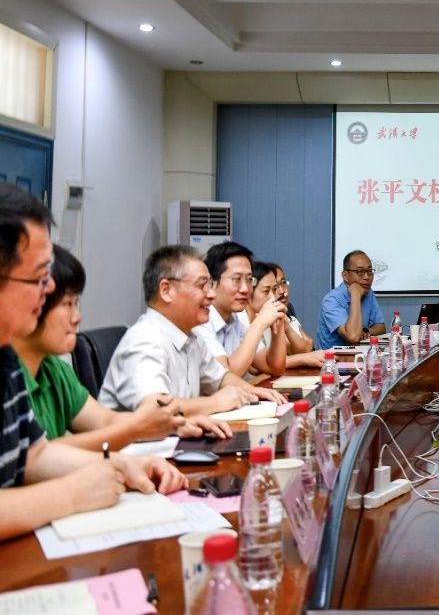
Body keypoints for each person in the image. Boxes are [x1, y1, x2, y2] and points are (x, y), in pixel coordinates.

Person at [0, 183, 186, 541]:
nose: (48, 290)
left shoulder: (5, 358)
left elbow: (33, 457)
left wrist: (124, 465)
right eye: (39, 277)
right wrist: (69, 495)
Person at [13, 245, 229, 448]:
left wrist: (173, 426)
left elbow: (106, 422)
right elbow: (35, 459)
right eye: (67, 304)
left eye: (76, 304)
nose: (77, 317)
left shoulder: (55, 370)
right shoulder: (10, 378)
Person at [97, 245, 287, 416]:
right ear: (166, 290)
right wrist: (215, 402)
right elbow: (155, 408)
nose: (211, 294)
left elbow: (220, 378)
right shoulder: (145, 340)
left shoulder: (190, 335)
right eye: (202, 285)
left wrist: (251, 391)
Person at [197, 241, 287, 377]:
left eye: (249, 280)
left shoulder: (234, 321)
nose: (245, 289)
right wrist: (259, 324)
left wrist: (278, 326)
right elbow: (224, 377)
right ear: (212, 282)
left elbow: (275, 367)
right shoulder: (201, 321)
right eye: (236, 279)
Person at [249, 261, 323, 369]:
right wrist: (304, 359)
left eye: (274, 289)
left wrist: (283, 324)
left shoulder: (277, 314)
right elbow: (256, 368)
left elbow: (275, 364)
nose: (274, 297)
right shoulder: (243, 320)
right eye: (266, 291)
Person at [316, 250, 386, 349]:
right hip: (332, 357)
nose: (367, 277)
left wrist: (365, 331)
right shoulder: (331, 300)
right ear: (345, 276)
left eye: (369, 271)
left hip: (359, 354)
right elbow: (353, 336)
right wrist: (355, 295)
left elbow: (381, 327)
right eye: (360, 272)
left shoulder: (368, 293)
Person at [269, 264, 314, 354]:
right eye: (275, 287)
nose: (282, 291)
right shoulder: (266, 321)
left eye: (283, 283)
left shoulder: (289, 312)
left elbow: (309, 343)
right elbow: (294, 350)